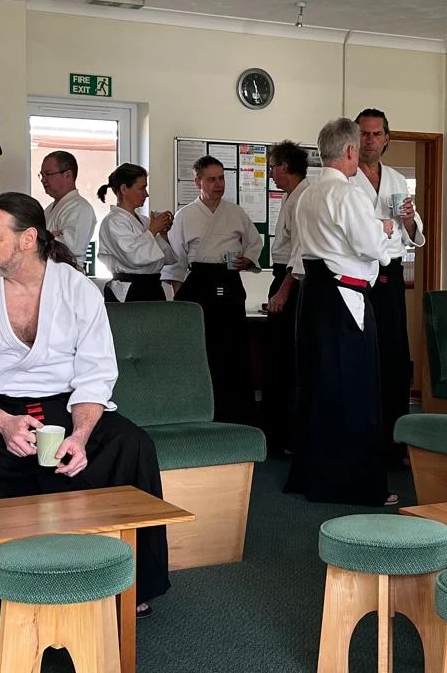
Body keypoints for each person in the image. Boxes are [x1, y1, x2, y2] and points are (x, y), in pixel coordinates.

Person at [0, 193, 169, 611]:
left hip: (66, 403)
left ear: (28, 239)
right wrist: (2, 422)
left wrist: (80, 436)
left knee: (130, 445)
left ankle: (129, 583)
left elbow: (96, 373)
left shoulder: (77, 290)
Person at [284, 119, 393, 506]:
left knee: (318, 385)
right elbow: (372, 249)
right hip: (345, 299)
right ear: (349, 151)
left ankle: (312, 477)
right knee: (354, 389)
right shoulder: (348, 194)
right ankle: (354, 485)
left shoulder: (307, 195)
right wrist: (386, 229)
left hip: (314, 296)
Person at [162, 155, 263, 426]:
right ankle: (201, 412)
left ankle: (238, 415)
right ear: (198, 182)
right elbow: (176, 260)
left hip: (229, 281)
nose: (218, 184)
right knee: (203, 350)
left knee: (234, 348)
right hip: (199, 283)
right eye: (211, 179)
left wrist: (247, 260)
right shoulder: (185, 215)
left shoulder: (236, 212)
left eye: (221, 178)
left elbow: (255, 243)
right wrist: (180, 299)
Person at [351, 109, 424, 454]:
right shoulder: (346, 177)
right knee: (362, 355)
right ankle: (362, 439)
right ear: (354, 138)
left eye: (376, 134)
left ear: (386, 139)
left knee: (394, 355)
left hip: (390, 273)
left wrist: (408, 219)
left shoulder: (395, 179)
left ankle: (395, 441)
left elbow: (414, 233)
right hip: (358, 273)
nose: (370, 140)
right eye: (363, 134)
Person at [264, 141, 310, 454]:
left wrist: (284, 289)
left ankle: (292, 436)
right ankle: (280, 434)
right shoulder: (290, 196)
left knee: (290, 360)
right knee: (278, 360)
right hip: (282, 275)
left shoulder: (304, 197)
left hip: (292, 282)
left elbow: (301, 249)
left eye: (272, 167)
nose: (270, 173)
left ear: (285, 166)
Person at [96, 163, 175, 302]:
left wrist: (162, 233)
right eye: (142, 188)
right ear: (124, 189)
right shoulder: (113, 221)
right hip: (130, 289)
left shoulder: (144, 221)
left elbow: (166, 259)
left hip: (153, 286)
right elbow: (133, 258)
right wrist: (153, 230)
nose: (146, 194)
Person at [41, 151, 96, 272]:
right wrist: (52, 235)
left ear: (68, 175)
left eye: (48, 174)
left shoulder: (80, 207)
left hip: (68, 274)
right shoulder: (49, 208)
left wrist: (44, 237)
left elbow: (71, 247)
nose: (43, 180)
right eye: (42, 175)